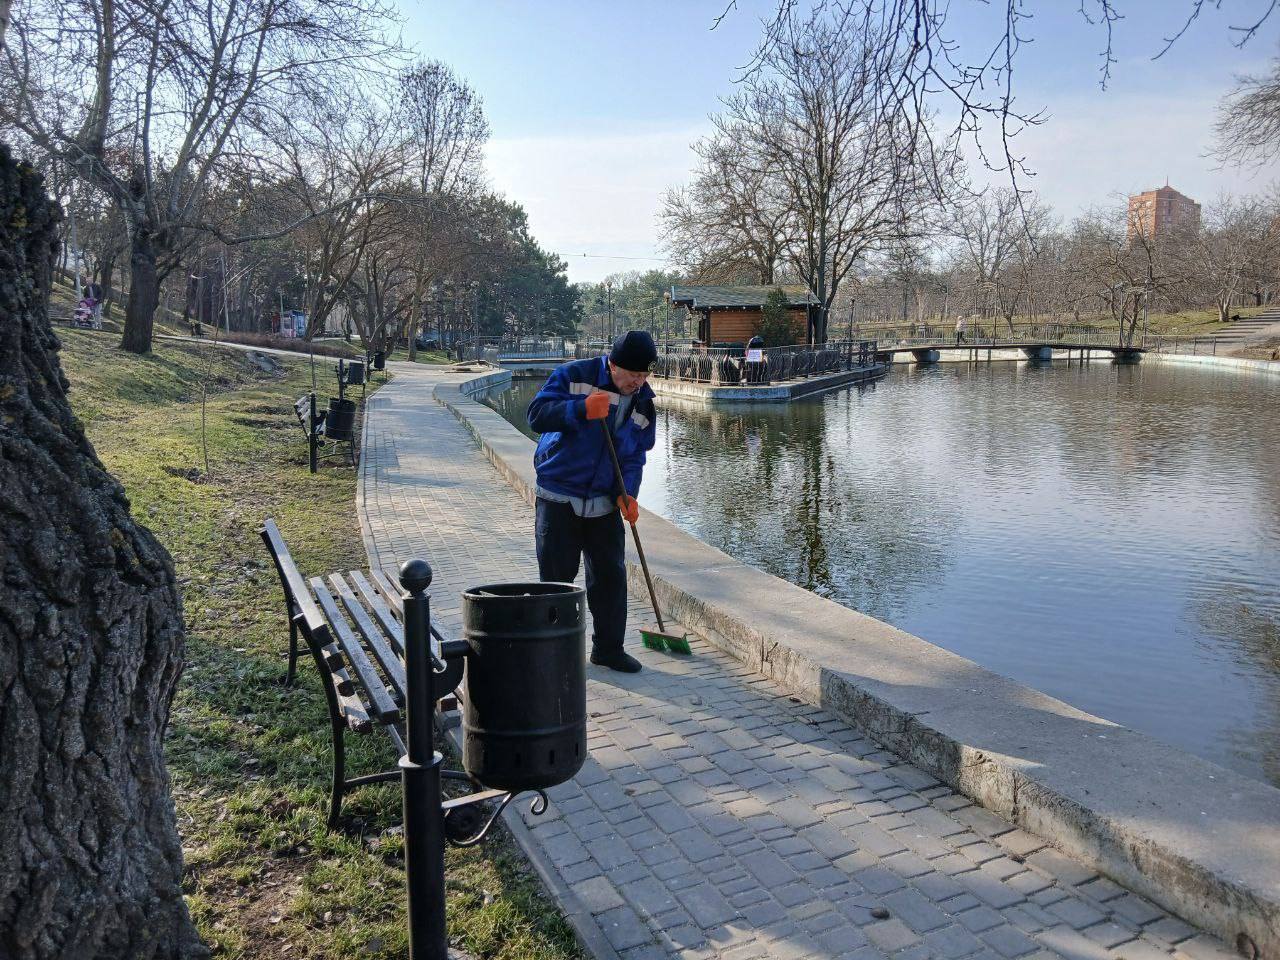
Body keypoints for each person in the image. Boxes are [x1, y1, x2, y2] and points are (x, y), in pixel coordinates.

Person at [527, 331, 658, 673]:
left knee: (610, 579)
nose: (638, 382)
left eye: (644, 375)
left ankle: (608, 650)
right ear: (612, 365)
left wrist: (628, 492)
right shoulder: (575, 376)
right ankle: (555, 654)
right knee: (557, 582)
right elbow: (537, 415)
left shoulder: (643, 401)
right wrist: (580, 409)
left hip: (603, 502)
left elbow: (635, 455)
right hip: (559, 495)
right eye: (632, 375)